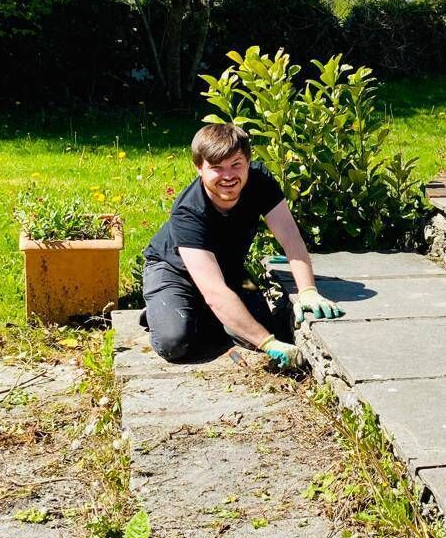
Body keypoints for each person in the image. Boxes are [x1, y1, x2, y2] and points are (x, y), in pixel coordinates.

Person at [141, 123, 342, 366]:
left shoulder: (260, 181)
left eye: (236, 164)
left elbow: (290, 236)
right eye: (216, 167)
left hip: (229, 270)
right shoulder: (188, 212)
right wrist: (268, 344)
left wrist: (308, 291)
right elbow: (215, 291)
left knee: (262, 326)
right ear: (199, 168)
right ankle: (166, 308)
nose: (228, 176)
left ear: (248, 162)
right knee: (174, 342)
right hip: (171, 270)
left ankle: (201, 312)